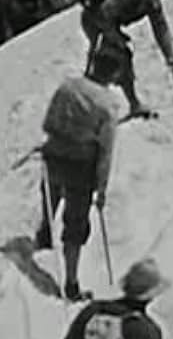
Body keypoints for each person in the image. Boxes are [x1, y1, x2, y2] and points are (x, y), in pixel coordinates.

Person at [34, 44, 123, 301]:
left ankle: (44, 233)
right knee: (75, 224)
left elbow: (48, 122)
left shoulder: (67, 87)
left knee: (50, 194)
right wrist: (102, 188)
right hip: (81, 166)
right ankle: (71, 283)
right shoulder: (107, 106)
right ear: (114, 74)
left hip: (54, 153)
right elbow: (106, 152)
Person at [80, 0, 173, 118]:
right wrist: (115, 37)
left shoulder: (151, 2)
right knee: (109, 57)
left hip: (109, 21)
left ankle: (131, 104)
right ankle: (87, 105)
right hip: (94, 19)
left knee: (122, 56)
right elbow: (103, 15)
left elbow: (161, 29)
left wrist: (170, 57)